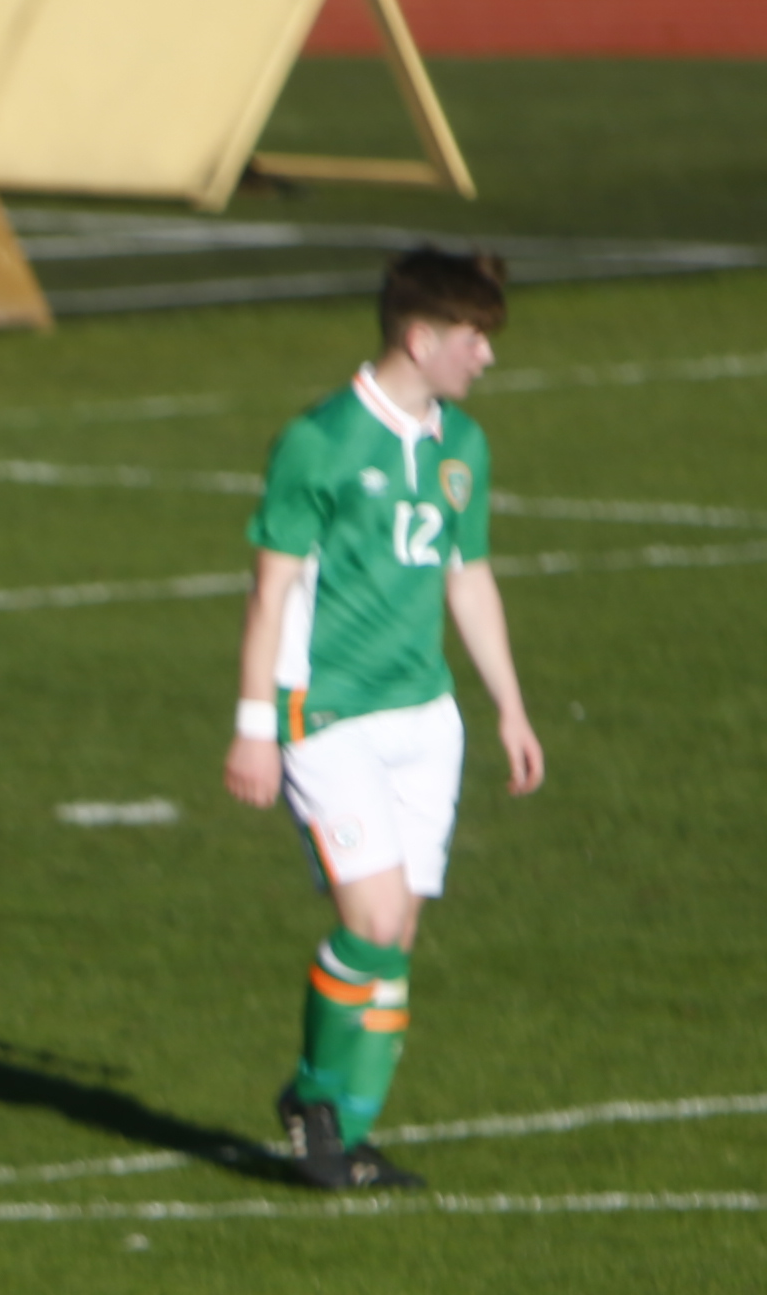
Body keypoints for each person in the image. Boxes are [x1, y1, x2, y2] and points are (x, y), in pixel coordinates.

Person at [224, 245, 545, 1194]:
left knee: (397, 934)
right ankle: (315, 1107)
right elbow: (269, 592)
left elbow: (468, 575)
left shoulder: (463, 448)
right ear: (421, 337)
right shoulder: (319, 442)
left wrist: (510, 708)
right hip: (327, 717)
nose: (486, 358)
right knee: (368, 922)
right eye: (474, 339)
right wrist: (253, 724)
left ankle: (347, 1135)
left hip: (424, 721)